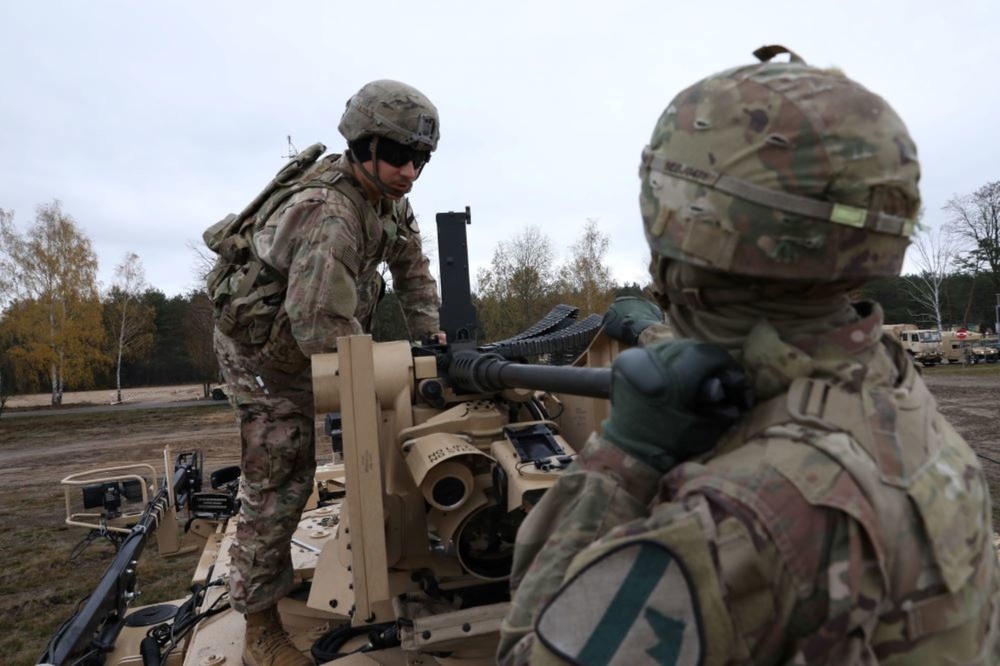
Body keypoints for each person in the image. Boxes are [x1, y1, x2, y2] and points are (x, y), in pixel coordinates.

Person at [499, 47, 999, 665]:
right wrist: (661, 337)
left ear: (682, 231)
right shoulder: (897, 394)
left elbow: (526, 650)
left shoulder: (736, 520)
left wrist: (622, 457)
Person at [206, 79, 444, 666]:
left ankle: (285, 576)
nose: (409, 171)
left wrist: (436, 341)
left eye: (421, 159)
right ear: (362, 147)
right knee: (283, 470)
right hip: (262, 355)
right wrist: (393, 372)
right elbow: (319, 329)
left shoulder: (388, 199)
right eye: (397, 156)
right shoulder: (329, 213)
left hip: (309, 334)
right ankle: (260, 623)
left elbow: (413, 270)